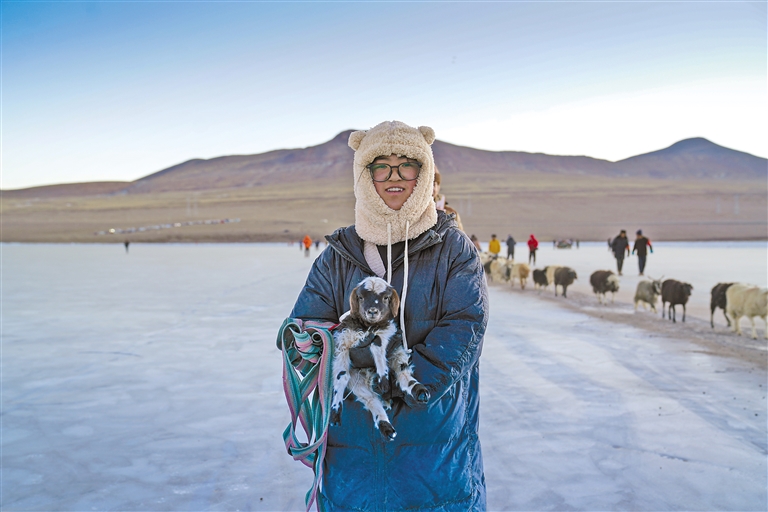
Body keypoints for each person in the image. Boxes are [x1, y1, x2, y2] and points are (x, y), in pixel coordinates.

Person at [289, 121, 488, 510]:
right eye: (381, 166)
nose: (394, 177)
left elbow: (465, 327)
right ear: (365, 175)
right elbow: (307, 328)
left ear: (423, 173)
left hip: (432, 450)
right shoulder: (337, 255)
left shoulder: (452, 249)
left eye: (407, 165)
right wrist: (308, 346)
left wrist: (403, 380)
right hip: (353, 453)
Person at [433, 166, 464, 231]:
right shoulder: (414, 211)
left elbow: (460, 236)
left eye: (435, 184)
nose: (433, 188)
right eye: (429, 184)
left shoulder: (451, 214)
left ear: (439, 187)